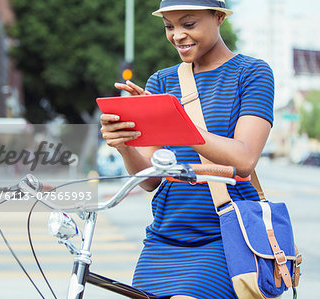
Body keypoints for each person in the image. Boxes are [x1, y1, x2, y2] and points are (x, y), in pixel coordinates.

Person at [100, 0, 274, 298]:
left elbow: (244, 159)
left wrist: (173, 122)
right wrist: (125, 144)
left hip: (223, 235)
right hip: (164, 237)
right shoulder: (161, 81)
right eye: (169, 26)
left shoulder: (253, 73)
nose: (177, 34)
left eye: (188, 24)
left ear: (219, 17)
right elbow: (150, 179)